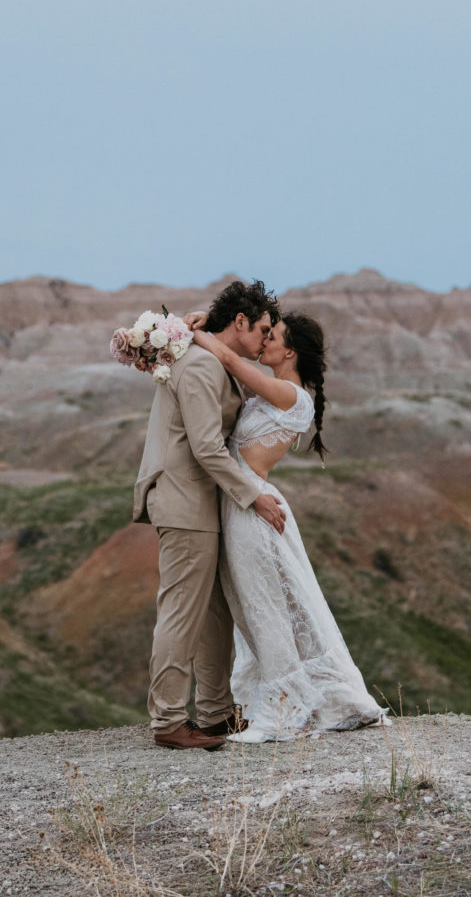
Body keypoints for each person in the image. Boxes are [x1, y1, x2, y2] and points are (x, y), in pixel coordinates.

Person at [186, 309, 386, 742]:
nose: (263, 342)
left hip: (253, 510)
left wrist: (191, 333)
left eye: (271, 336)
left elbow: (233, 362)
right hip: (240, 503)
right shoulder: (269, 394)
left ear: (289, 351)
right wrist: (214, 320)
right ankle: (277, 704)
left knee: (266, 608)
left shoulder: (294, 397)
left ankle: (281, 714)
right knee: (250, 609)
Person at [133, 280, 288, 751]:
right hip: (184, 503)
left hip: (205, 504)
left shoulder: (207, 357)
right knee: (182, 613)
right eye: (262, 329)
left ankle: (218, 714)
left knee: (214, 615)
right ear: (239, 322)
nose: (266, 339)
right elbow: (205, 447)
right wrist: (254, 496)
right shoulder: (199, 366)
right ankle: (168, 721)